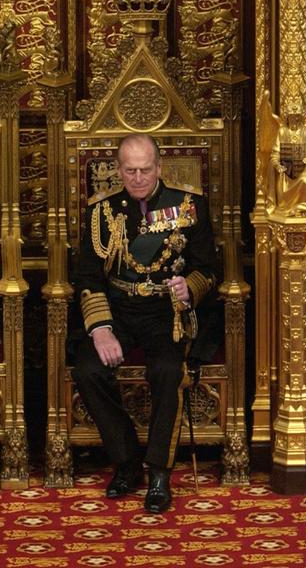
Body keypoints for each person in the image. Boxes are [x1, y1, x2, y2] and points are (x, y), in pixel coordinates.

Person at [72, 134, 219, 513]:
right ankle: (126, 462)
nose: (137, 177)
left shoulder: (189, 206)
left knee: (169, 370)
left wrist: (190, 287)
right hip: (117, 309)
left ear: (159, 168)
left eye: (145, 169)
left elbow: (210, 270)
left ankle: (158, 472)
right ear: (118, 169)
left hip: (165, 312)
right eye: (130, 170)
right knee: (88, 369)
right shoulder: (100, 212)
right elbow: (88, 277)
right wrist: (101, 329)